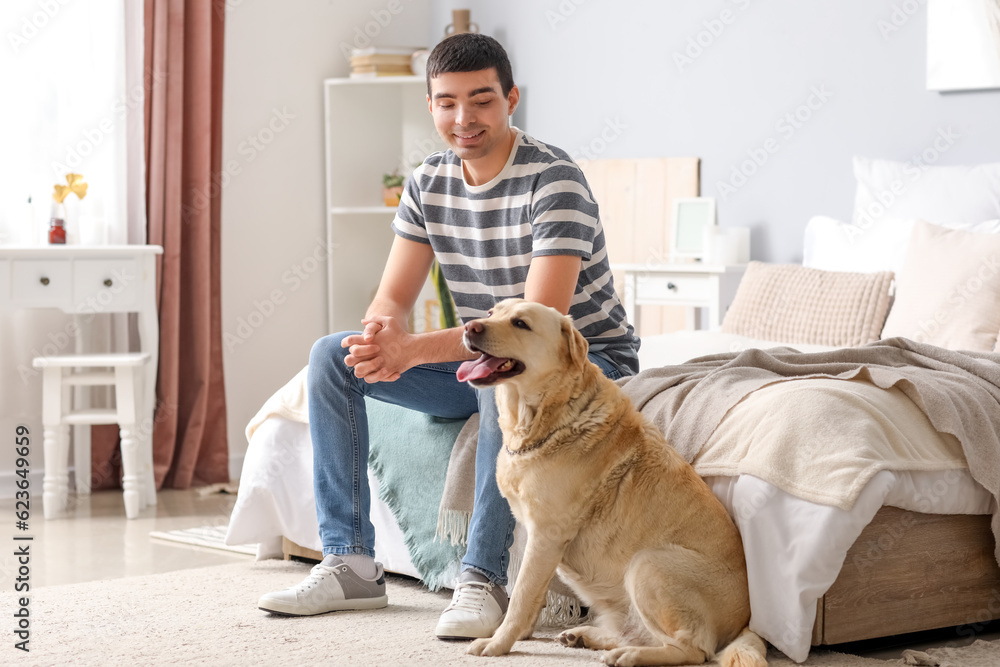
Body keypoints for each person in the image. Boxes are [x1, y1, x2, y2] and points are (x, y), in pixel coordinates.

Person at [257, 32, 640, 640]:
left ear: (511, 99)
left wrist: (413, 351)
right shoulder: (428, 181)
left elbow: (535, 325)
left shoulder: (555, 179)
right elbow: (393, 294)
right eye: (447, 102)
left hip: (583, 361)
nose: (464, 119)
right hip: (485, 354)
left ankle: (483, 577)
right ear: (431, 105)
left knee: (501, 376)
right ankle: (351, 564)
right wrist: (381, 335)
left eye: (482, 100)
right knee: (332, 358)